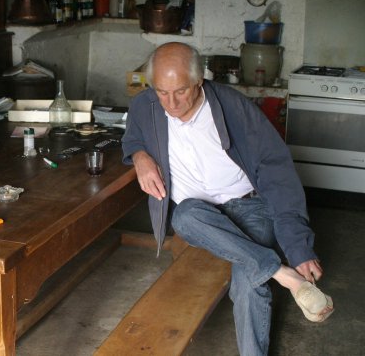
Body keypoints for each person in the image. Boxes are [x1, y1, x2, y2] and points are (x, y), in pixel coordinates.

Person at [121, 42, 334, 355]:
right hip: (200, 218)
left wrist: (297, 246)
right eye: (162, 92)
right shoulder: (145, 105)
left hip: (250, 205)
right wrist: (139, 156)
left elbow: (277, 173)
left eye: (180, 91)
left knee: (248, 279)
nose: (171, 103)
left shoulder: (233, 107)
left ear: (199, 80)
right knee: (184, 216)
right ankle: (282, 274)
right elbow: (132, 138)